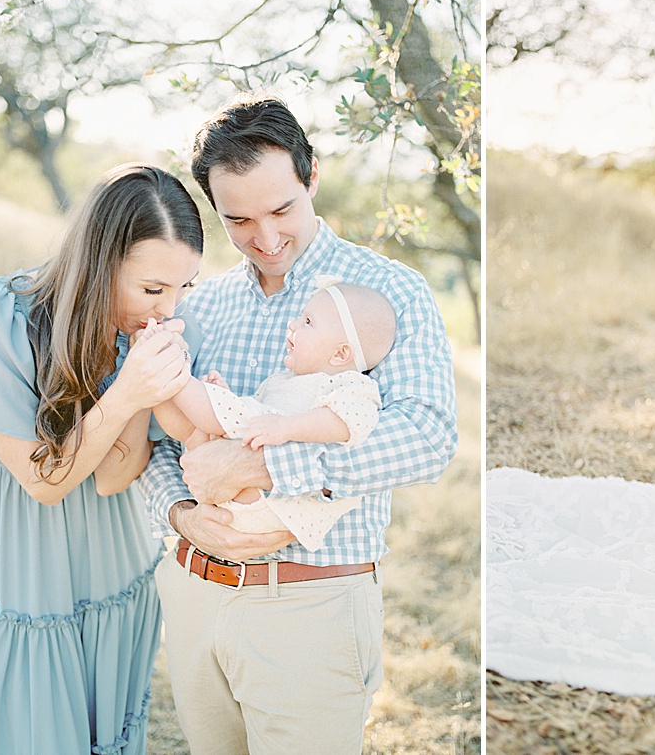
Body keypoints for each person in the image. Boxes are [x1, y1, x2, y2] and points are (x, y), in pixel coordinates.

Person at [138, 94, 458, 754]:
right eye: (240, 220)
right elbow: (159, 440)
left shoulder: (388, 291)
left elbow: (427, 437)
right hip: (196, 594)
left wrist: (264, 465)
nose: (267, 237)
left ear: (312, 178)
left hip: (310, 603)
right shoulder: (205, 303)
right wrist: (179, 515)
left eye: (282, 208)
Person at [0, 164, 202, 754]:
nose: (168, 311)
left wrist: (137, 381)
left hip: (114, 572)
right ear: (100, 264)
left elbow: (114, 478)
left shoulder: (147, 333)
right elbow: (45, 482)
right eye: (153, 289)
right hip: (21, 572)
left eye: (184, 289)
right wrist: (128, 391)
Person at [148, 279, 397, 548]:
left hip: (274, 503)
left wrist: (286, 427)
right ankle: (156, 388)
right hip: (232, 501)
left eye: (308, 322)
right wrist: (225, 395)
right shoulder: (284, 380)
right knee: (193, 429)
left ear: (340, 354)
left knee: (217, 416)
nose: (294, 324)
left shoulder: (352, 385)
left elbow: (349, 422)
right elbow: (250, 415)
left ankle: (171, 369)